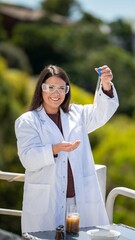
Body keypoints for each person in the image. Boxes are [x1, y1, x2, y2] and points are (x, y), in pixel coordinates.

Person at [15, 64, 119, 234]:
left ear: (67, 91)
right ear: (41, 89)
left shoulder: (77, 114)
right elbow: (28, 159)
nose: (56, 93)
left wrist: (106, 84)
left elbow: (101, 114)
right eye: (50, 87)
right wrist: (54, 149)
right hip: (47, 201)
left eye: (61, 88)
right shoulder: (27, 121)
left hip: (79, 200)